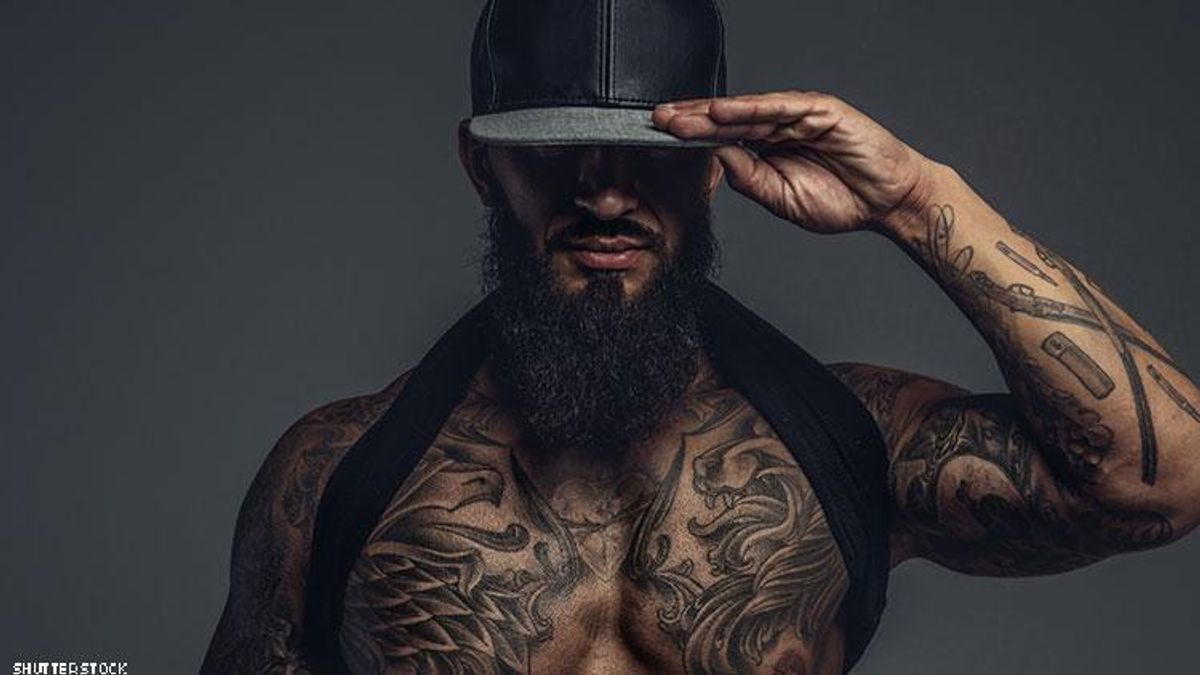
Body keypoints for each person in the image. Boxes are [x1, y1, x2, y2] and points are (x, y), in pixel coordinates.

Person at [201, 1, 1200, 673]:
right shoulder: (336, 478)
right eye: (556, 151)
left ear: (718, 163)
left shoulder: (843, 446)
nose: (605, 194)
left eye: (653, 150)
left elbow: (1162, 481)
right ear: (481, 166)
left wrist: (917, 201)